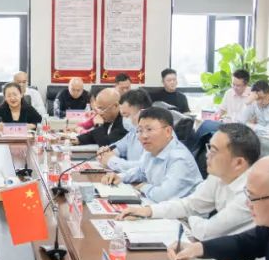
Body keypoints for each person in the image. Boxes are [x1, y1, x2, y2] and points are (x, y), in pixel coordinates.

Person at [121, 123, 259, 240]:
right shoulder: (218, 176)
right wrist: (148, 211)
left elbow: (206, 232)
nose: (207, 155)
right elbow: (190, 205)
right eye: (209, 148)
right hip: (218, 248)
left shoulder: (250, 193)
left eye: (214, 151)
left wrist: (188, 218)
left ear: (238, 163)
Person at [100, 107, 201, 202]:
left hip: (181, 213)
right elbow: (141, 171)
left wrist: (143, 187)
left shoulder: (180, 159)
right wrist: (120, 177)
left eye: (149, 130)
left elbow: (163, 196)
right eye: (140, 130)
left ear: (168, 131)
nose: (144, 136)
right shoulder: (153, 150)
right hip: (161, 207)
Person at [100, 89, 153, 172]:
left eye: (127, 115)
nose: (124, 120)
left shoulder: (156, 135)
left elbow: (143, 167)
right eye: (122, 116)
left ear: (142, 113)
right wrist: (106, 152)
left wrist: (111, 161)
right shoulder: (133, 132)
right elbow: (118, 147)